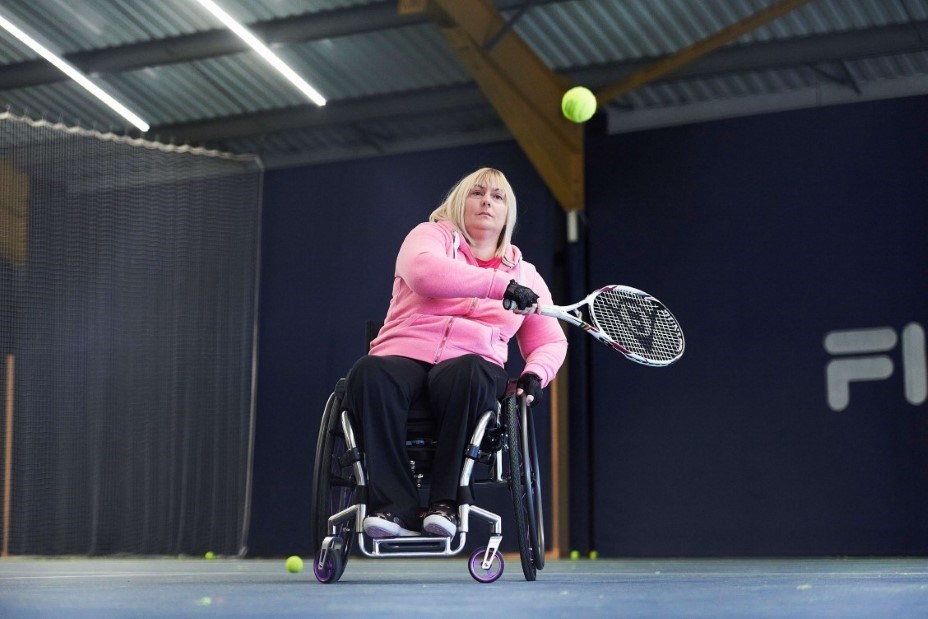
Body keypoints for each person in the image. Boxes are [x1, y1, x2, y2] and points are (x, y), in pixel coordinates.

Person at [345, 167, 568, 539]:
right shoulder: (429, 236)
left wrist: (536, 373)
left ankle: (446, 504)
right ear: (459, 202)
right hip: (405, 352)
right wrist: (500, 286)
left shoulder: (526, 276)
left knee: (469, 372)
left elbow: (550, 341)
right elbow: (424, 273)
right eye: (477, 193)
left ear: (507, 213)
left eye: (497, 197)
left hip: (472, 364)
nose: (486, 202)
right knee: (369, 372)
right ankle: (393, 507)